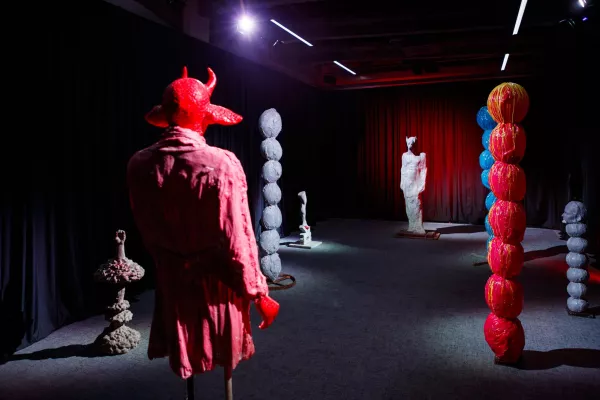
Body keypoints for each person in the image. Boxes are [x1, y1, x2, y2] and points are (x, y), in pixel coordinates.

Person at [127, 67, 279, 380]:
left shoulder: (139, 163)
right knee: (224, 369)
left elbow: (147, 228)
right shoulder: (222, 164)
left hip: (173, 282)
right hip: (217, 287)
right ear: (206, 116)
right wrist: (258, 292)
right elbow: (238, 237)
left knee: (188, 363)